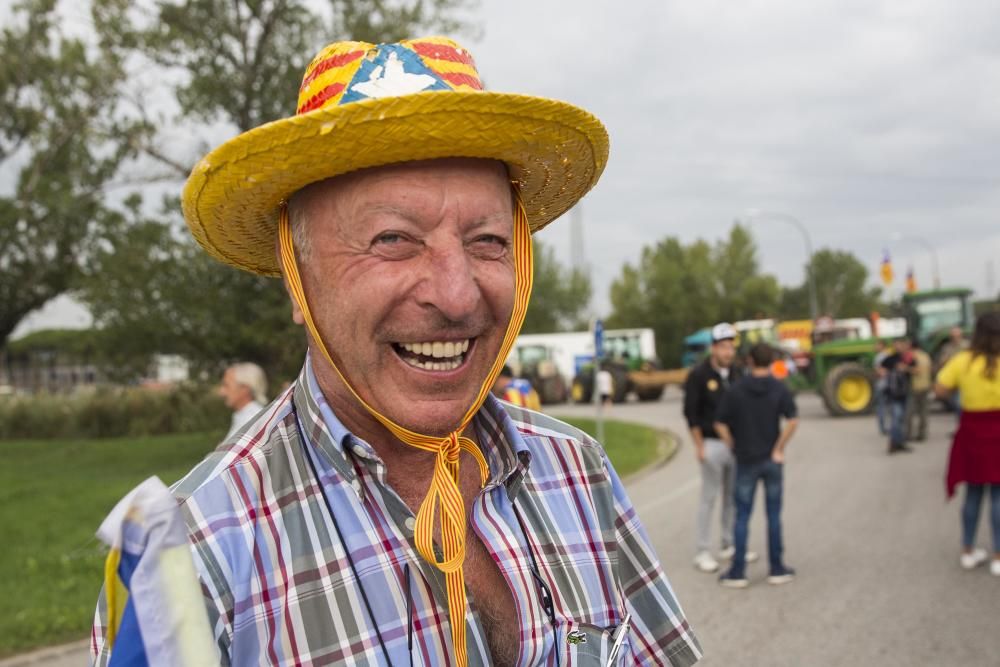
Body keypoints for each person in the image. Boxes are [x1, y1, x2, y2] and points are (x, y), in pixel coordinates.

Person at [90, 37, 701, 666]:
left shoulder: (577, 471)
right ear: (298, 279)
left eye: (487, 239)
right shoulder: (198, 555)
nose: (458, 296)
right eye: (393, 239)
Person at [714, 343, 799, 588]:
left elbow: (719, 423)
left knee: (742, 516)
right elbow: (792, 420)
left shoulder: (737, 390)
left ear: (749, 360)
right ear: (772, 360)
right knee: (773, 515)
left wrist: (732, 444)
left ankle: (738, 571)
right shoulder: (779, 388)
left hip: (746, 459)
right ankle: (777, 567)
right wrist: (779, 448)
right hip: (772, 460)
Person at [683, 322, 756, 573]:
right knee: (709, 498)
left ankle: (729, 543)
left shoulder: (737, 373)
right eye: (723, 347)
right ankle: (702, 551)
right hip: (712, 443)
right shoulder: (699, 375)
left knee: (732, 498)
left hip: (735, 445)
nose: (728, 352)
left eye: (730, 347)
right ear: (713, 348)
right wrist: (699, 445)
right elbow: (691, 413)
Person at [934, 312, 1000, 577]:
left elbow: (939, 390)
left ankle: (968, 551)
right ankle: (998, 555)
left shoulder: (962, 360)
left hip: (972, 430)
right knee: (998, 494)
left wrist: (958, 399)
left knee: (973, 492)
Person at [881, 338, 915, 454]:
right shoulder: (890, 359)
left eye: (900, 344)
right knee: (896, 418)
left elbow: (918, 370)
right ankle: (893, 442)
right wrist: (884, 372)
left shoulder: (908, 358)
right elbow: (880, 369)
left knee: (901, 419)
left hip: (905, 393)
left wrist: (906, 368)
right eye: (896, 345)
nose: (898, 347)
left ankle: (899, 442)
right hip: (893, 394)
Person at [218, 362, 268, 440]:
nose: (221, 392)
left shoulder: (251, 421)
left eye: (226, 385)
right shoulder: (246, 416)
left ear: (245, 389)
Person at [905, 340, 932, 442]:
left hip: (915, 386)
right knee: (923, 411)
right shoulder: (926, 355)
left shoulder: (912, 355)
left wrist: (905, 368)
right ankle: (922, 434)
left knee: (909, 412)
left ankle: (908, 434)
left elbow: (917, 370)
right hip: (926, 385)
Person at [873, 339, 891, 436]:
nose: (875, 347)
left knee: (881, 407)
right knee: (886, 407)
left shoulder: (880, 357)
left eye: (877, 345)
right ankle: (886, 427)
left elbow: (879, 371)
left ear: (882, 345)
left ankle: (883, 427)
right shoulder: (887, 355)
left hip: (882, 385)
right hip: (887, 384)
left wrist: (879, 372)